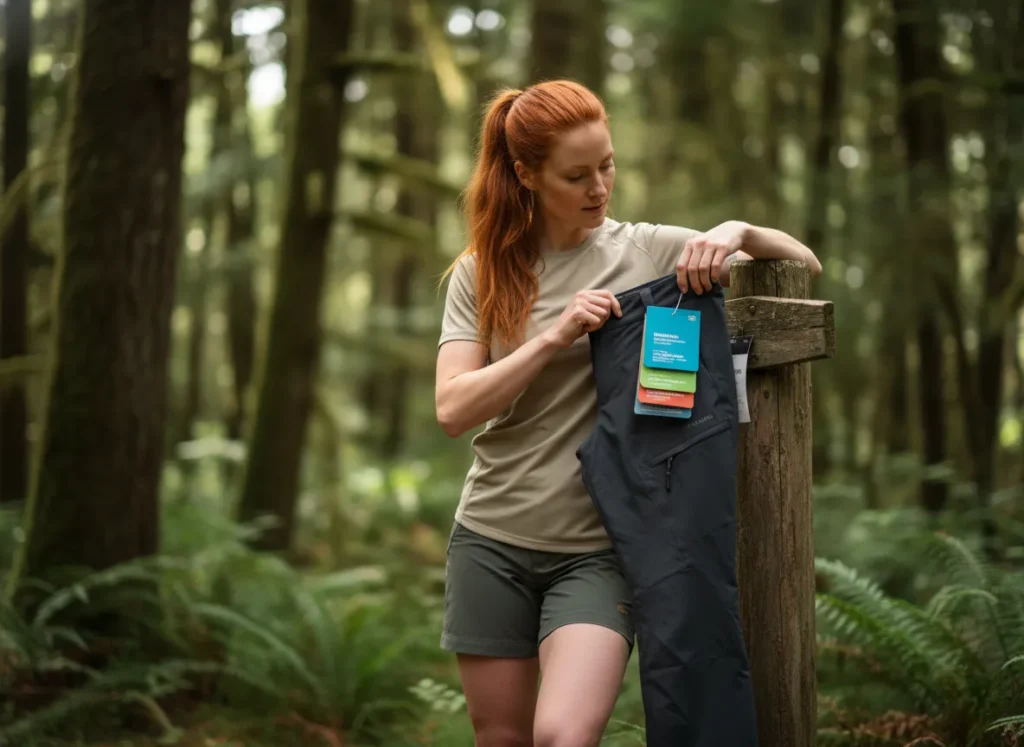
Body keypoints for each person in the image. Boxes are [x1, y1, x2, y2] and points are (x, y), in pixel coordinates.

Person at [434, 79, 821, 747]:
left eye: (607, 165)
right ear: (526, 174)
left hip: (595, 550)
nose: (598, 187)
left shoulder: (641, 249)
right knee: (501, 737)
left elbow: (805, 260)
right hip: (490, 537)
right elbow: (452, 406)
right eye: (576, 174)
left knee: (563, 734)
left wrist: (736, 231)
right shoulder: (483, 272)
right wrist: (553, 337)